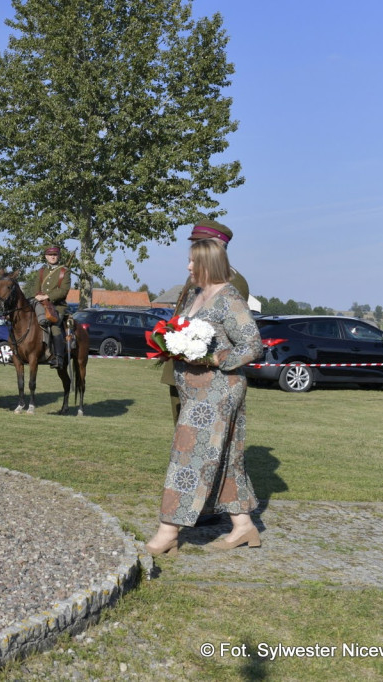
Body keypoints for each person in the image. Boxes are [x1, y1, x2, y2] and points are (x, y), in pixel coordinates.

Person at [145, 239, 263, 556]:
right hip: (194, 389)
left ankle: (168, 531)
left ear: (208, 263)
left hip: (217, 391)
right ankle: (243, 526)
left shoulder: (229, 298)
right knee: (226, 459)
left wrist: (215, 359)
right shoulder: (197, 296)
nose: (188, 267)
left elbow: (252, 344)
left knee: (187, 456)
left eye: (192, 261)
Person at [162, 218, 249, 424]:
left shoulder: (234, 282)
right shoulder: (195, 275)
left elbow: (230, 332)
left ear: (218, 247)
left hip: (208, 372)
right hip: (181, 365)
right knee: (181, 432)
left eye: (200, 243)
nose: (194, 248)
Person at [22, 246, 70, 368]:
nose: (53, 257)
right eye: (50, 255)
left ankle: (58, 358)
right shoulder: (42, 271)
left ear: (58, 256)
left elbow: (63, 291)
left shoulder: (64, 271)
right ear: (46, 257)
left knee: (54, 326)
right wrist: (37, 296)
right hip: (41, 305)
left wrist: (47, 296)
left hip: (57, 306)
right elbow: (36, 288)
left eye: (55, 255)